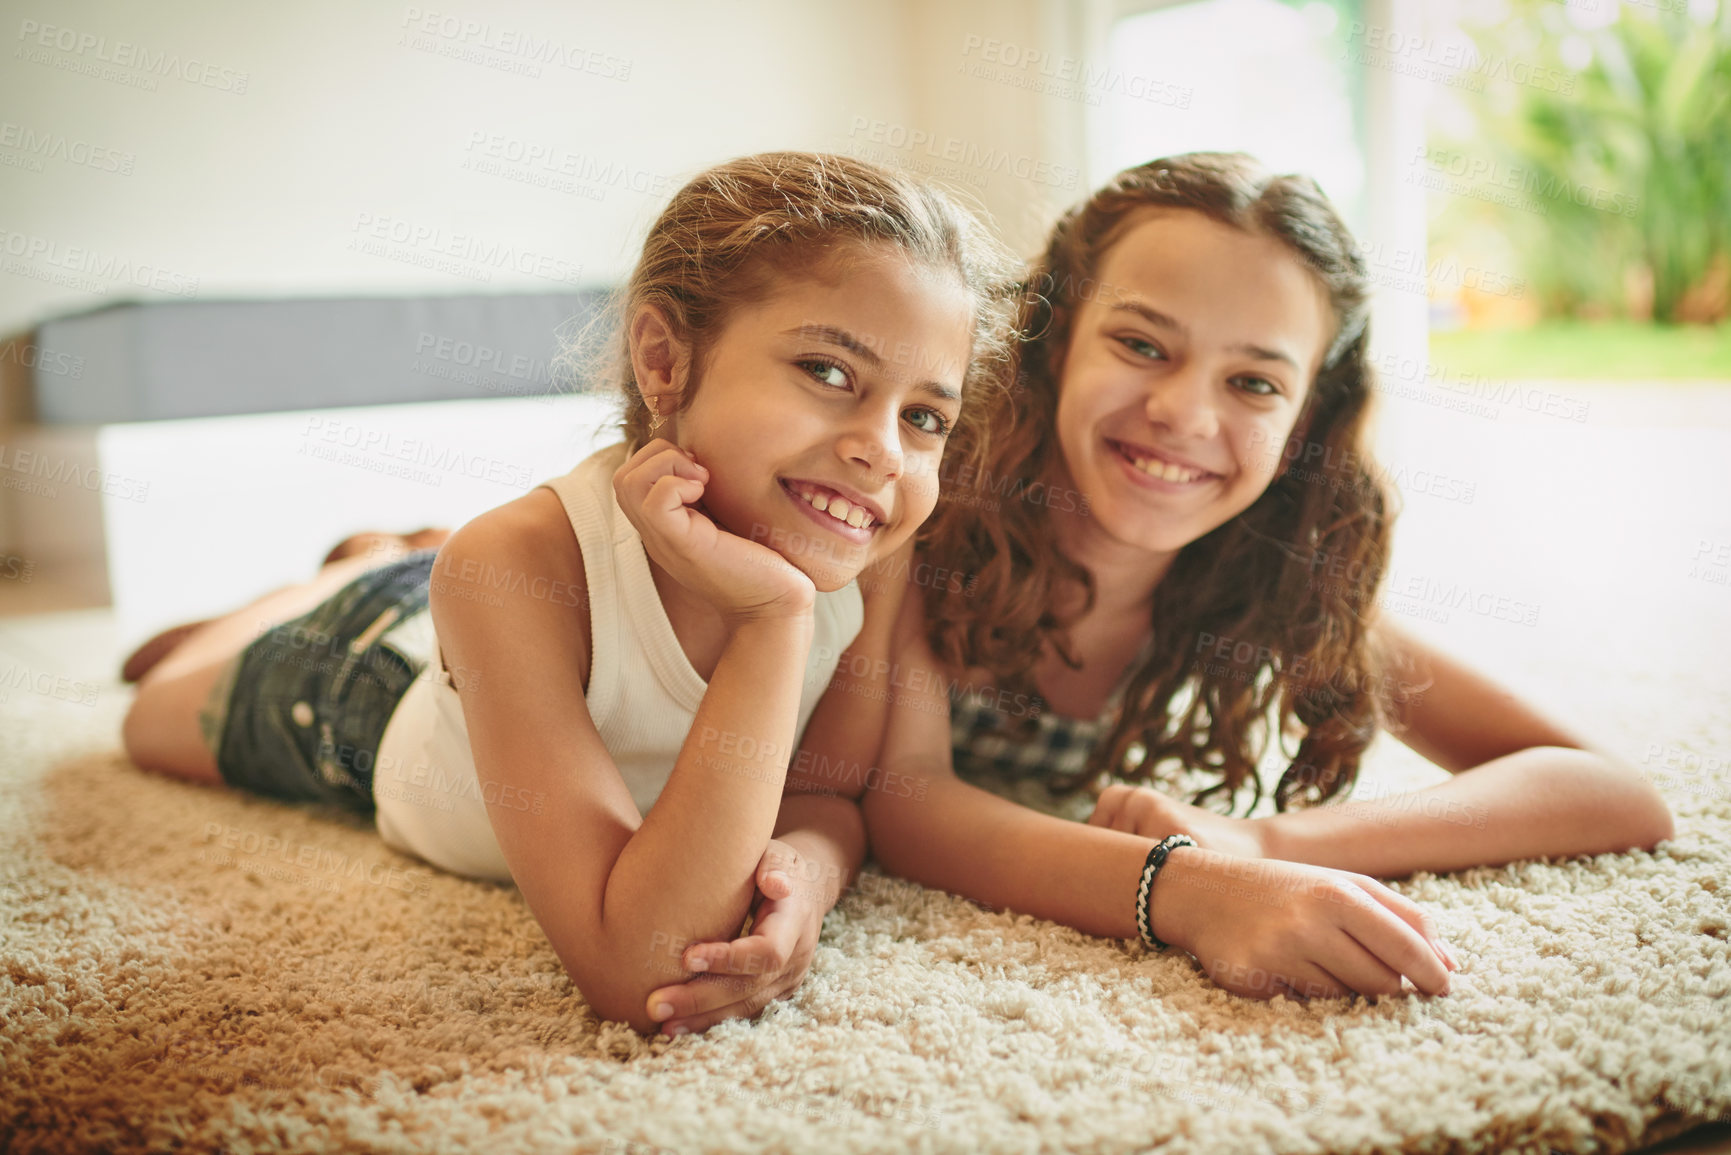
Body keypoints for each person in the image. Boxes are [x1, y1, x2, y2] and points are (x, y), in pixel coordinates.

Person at [650, 152, 1675, 1018]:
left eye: (1254, 383)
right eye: (1142, 345)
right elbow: (910, 804)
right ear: (1052, 346)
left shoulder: (1262, 582)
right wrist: (1188, 891)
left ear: (1307, 422)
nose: (1185, 413)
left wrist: (1269, 840)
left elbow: (1609, 791)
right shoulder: (922, 513)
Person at [119, 151, 1019, 1037]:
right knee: (147, 713)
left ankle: (394, 559)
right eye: (828, 372)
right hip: (359, 695)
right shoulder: (512, 561)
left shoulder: (870, 558)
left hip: (469, 612)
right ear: (665, 360)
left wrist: (809, 881)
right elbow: (639, 968)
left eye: (924, 416)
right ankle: (349, 576)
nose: (882, 452)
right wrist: (772, 618)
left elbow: (825, 799)